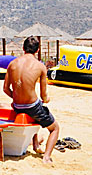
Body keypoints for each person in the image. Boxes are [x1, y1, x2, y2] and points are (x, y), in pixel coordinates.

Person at [4, 35, 60, 163]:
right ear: (38, 50)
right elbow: (43, 96)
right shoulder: (40, 67)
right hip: (32, 107)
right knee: (55, 128)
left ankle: (36, 145)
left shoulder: (12, 64)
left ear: (23, 48)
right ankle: (46, 157)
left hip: (17, 106)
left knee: (33, 115)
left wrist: (18, 97)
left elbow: (6, 89)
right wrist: (47, 99)